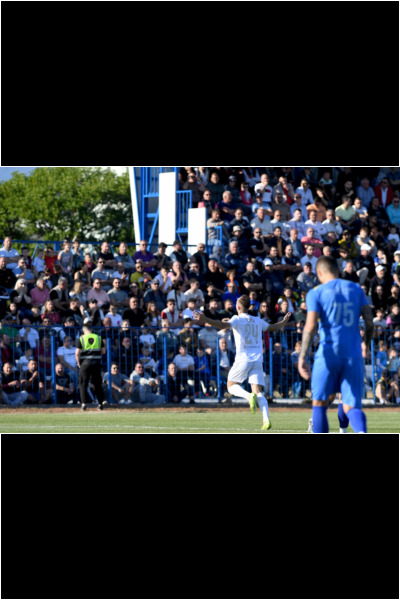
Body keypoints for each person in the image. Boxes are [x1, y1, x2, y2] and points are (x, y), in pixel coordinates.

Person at [298, 256, 374, 434]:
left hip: (328, 354)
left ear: (318, 273)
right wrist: (366, 344)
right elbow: (370, 323)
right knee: (350, 405)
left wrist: (302, 356)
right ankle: (361, 432)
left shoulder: (316, 292)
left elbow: (310, 326)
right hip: (353, 354)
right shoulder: (356, 289)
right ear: (338, 271)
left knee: (319, 403)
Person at [193, 295, 291, 431]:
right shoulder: (257, 320)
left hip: (243, 358)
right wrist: (284, 321)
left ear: (238, 307)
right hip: (257, 359)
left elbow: (222, 325)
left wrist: (204, 319)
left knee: (231, 386)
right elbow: (274, 328)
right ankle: (266, 419)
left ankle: (248, 396)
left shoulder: (237, 319)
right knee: (258, 391)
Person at [75, 318, 107, 411]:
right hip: (96, 363)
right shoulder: (98, 338)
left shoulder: (81, 338)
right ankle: (100, 404)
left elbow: (77, 353)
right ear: (92, 329)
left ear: (83, 330)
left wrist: (79, 363)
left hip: (85, 363)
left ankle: (83, 404)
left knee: (83, 383)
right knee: (97, 383)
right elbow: (103, 351)